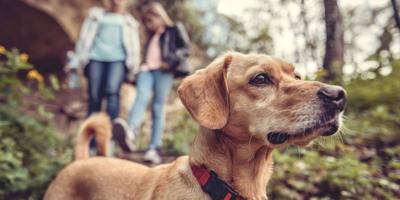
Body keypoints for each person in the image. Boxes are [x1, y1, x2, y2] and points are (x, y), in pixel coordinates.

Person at [113, 2, 190, 164]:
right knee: (141, 97)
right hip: (147, 71)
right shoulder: (150, 37)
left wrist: (169, 62)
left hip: (164, 71)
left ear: (159, 16)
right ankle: (131, 133)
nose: (148, 25)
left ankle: (154, 147)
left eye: (150, 21)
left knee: (157, 106)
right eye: (146, 22)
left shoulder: (174, 29)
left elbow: (184, 49)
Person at [66, 0, 140, 155]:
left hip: (118, 61)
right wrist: (77, 61)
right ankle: (91, 144)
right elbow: (84, 39)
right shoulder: (95, 16)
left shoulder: (129, 22)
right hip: (95, 59)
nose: (115, 2)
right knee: (94, 97)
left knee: (112, 94)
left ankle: (108, 142)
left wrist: (134, 67)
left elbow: (134, 46)